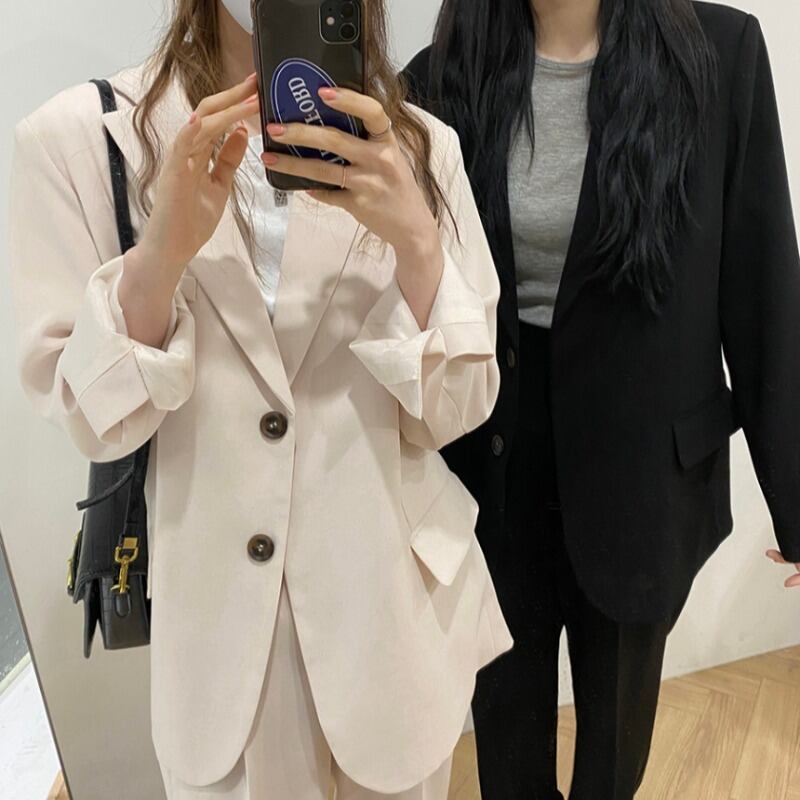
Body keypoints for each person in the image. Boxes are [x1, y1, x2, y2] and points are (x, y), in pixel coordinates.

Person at [8, 1, 513, 798]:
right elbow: (93, 419)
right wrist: (161, 256)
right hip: (221, 653)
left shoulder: (418, 146)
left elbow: (459, 409)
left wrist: (418, 243)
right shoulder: (78, 141)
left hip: (393, 626)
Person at [403, 1, 800, 798]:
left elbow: (763, 292)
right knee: (506, 749)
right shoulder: (442, 77)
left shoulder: (718, 55)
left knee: (614, 756)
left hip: (642, 471)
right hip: (491, 468)